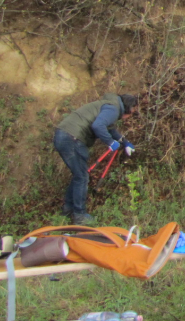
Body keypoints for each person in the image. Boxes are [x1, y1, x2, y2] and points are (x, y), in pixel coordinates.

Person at [54, 93, 137, 225]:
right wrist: (110, 142)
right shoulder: (113, 109)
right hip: (71, 138)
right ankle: (79, 216)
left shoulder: (109, 106)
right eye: (132, 111)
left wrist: (124, 142)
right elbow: (98, 126)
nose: (131, 115)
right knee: (82, 176)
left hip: (64, 135)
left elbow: (110, 129)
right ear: (129, 107)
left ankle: (68, 208)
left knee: (79, 175)